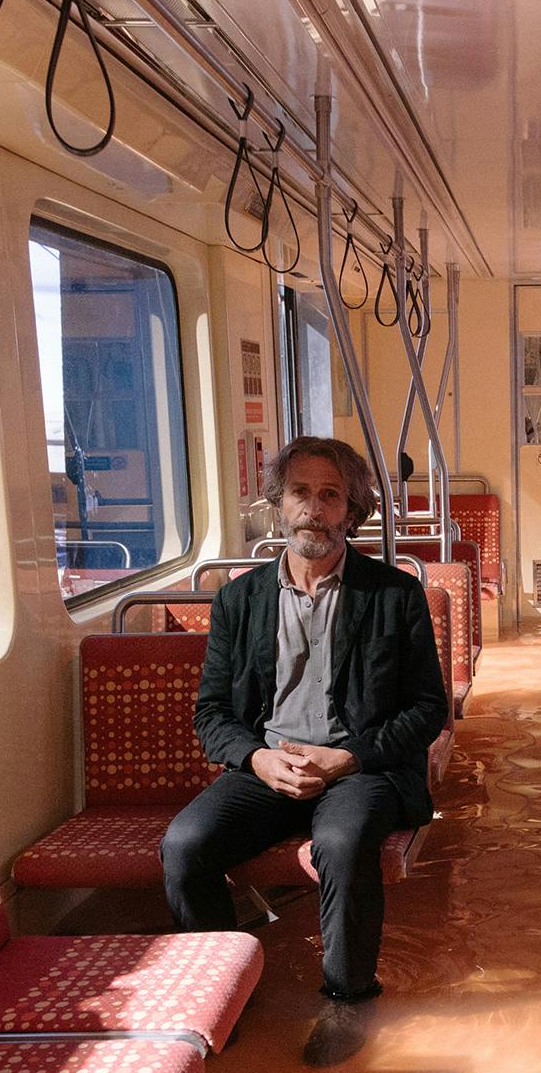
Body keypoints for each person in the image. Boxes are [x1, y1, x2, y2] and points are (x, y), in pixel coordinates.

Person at [162, 437, 449, 1026]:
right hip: (267, 765)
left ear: (351, 509)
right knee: (184, 847)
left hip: (357, 767)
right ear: (279, 502)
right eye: (300, 493)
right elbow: (212, 713)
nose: (313, 509)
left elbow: (426, 710)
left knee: (342, 844)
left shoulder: (394, 595)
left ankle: (348, 1000)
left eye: (329, 495)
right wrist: (258, 760)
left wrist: (345, 759)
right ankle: (224, 993)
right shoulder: (240, 600)